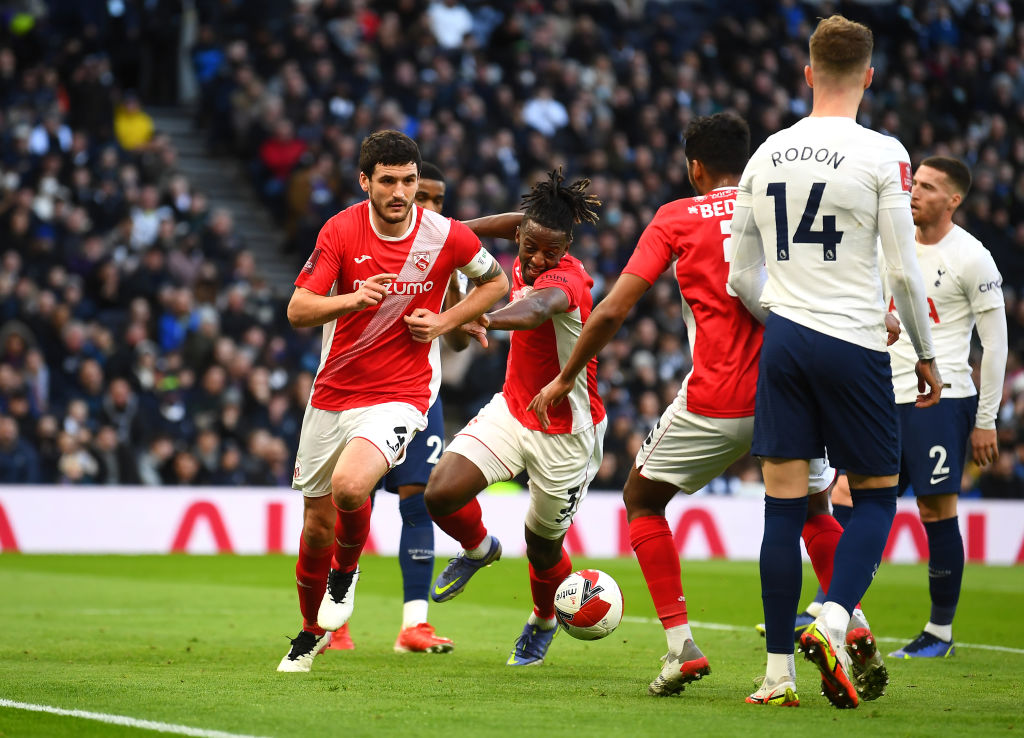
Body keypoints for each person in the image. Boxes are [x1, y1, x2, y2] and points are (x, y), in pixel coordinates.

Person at [528, 112, 838, 698]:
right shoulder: (779, 206)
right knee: (816, 508)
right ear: (745, 163)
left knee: (642, 499)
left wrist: (567, 375)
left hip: (717, 398)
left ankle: (681, 647)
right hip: (792, 393)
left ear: (694, 166)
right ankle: (850, 623)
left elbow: (615, 308)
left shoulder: (675, 217)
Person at [727, 15, 942, 709]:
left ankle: (775, 676)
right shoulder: (883, 153)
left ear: (808, 71)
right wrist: (927, 354)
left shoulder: (766, 153)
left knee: (782, 509)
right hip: (853, 339)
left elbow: (739, 278)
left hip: (784, 342)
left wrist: (787, 316)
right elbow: (906, 274)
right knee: (877, 494)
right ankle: (833, 617)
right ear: (869, 77)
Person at [277, 130, 508, 672]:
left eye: (409, 180)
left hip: (401, 395)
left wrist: (446, 321)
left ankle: (347, 576)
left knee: (352, 487)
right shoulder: (340, 229)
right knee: (316, 526)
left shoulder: (443, 235)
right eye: (389, 181)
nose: (401, 191)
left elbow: (494, 282)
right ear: (366, 183)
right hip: (333, 392)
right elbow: (297, 309)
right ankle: (310, 635)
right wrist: (353, 297)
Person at [325, 161, 521, 655]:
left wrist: (456, 316)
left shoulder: (444, 255)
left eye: (434, 198)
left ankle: (415, 624)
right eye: (421, 195)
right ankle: (337, 624)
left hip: (417, 395)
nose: (426, 205)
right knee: (353, 499)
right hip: (356, 392)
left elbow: (454, 343)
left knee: (417, 499)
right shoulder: (358, 235)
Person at [422, 169, 606, 667]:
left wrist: (481, 316)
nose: (538, 259)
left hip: (568, 433)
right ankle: (479, 547)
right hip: (514, 406)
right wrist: (454, 231)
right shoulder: (525, 234)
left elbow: (535, 310)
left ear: (567, 245)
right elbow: (504, 225)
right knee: (440, 493)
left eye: (552, 250)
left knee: (542, 547)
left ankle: (544, 619)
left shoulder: (568, 278)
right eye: (531, 248)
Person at [835, 157, 1005, 659]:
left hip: (942, 399)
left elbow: (995, 346)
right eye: (915, 183)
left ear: (953, 200)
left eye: (929, 187)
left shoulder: (973, 258)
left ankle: (940, 632)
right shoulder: (891, 241)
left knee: (935, 510)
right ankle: (836, 606)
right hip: (881, 395)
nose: (915, 193)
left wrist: (985, 420)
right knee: (847, 496)